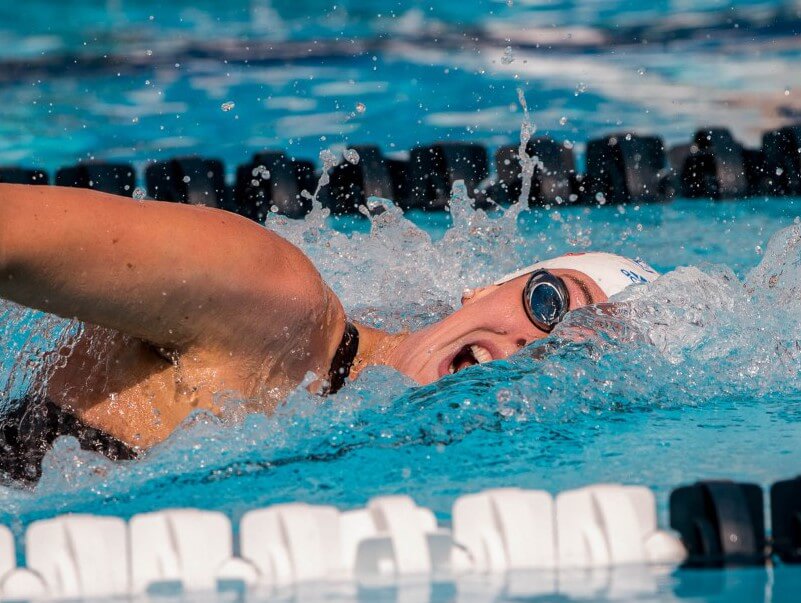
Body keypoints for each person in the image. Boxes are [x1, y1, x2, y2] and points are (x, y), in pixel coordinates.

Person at [0, 183, 658, 483]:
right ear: (482, 289)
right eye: (548, 304)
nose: (527, 349)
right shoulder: (273, 298)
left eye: (568, 356)